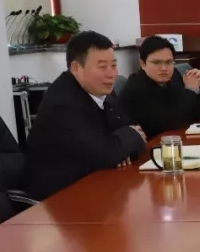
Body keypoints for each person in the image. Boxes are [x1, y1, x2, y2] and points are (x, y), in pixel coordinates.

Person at [24, 31, 146, 199]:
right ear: (76, 68)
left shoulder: (101, 89)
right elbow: (103, 154)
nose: (111, 74)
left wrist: (122, 148)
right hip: (60, 196)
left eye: (114, 65)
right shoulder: (63, 102)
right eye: (102, 67)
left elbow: (133, 131)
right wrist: (123, 143)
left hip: (97, 182)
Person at [120, 35, 200, 137]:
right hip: (151, 143)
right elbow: (170, 124)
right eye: (156, 63)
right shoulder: (135, 90)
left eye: (169, 62)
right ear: (142, 64)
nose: (164, 68)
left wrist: (196, 89)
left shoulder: (174, 75)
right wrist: (190, 90)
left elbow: (194, 116)